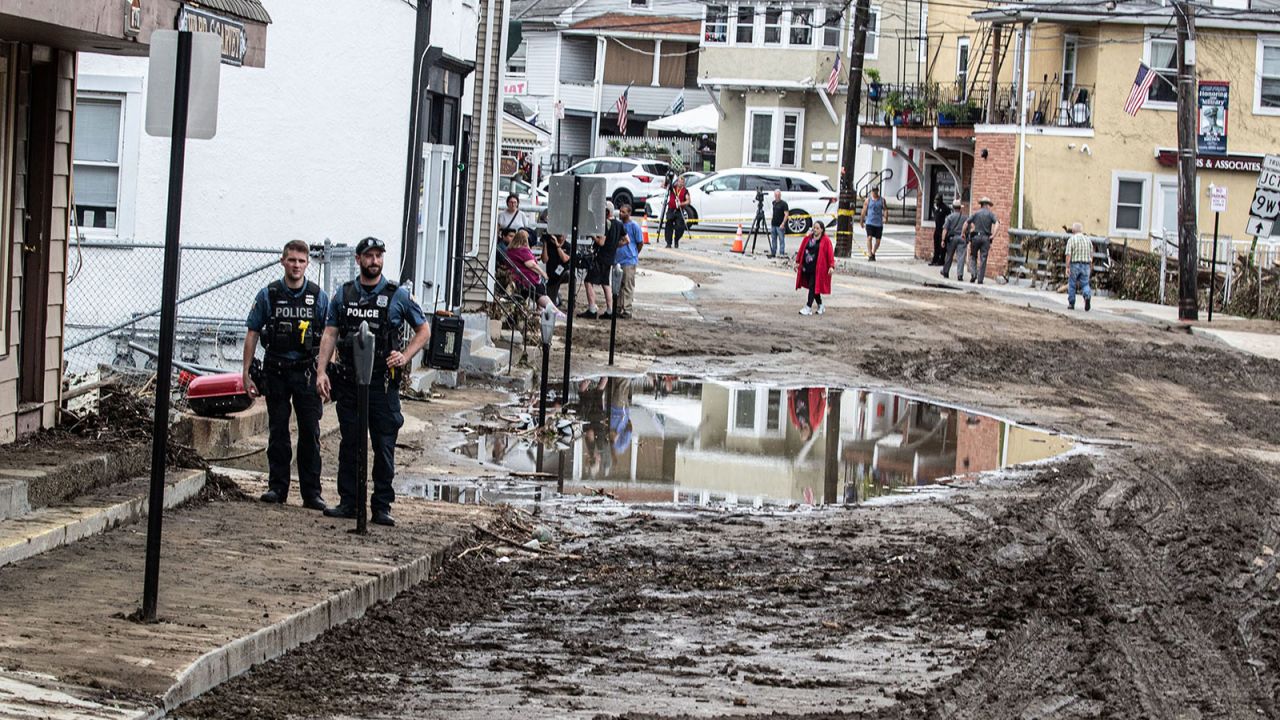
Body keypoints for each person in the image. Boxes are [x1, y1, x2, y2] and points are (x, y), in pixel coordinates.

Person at [315, 237, 430, 527]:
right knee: (350, 444)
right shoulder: (344, 295)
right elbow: (330, 333)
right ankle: (349, 502)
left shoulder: (397, 295)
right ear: (358, 259)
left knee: (384, 445)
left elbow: (424, 330)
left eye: (379, 256)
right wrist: (321, 371)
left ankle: (381, 506)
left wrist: (404, 356)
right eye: (369, 256)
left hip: (382, 383)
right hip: (351, 381)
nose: (374, 261)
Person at [242, 240, 328, 511]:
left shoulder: (318, 296)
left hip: (306, 372)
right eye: (291, 260)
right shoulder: (269, 294)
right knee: (278, 432)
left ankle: (311, 493)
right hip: (276, 370)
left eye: (301, 261)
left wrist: (326, 373)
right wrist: (245, 374)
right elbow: (252, 333)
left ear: (307, 264)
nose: (296, 265)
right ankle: (277, 488)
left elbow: (329, 335)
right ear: (282, 261)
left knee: (310, 433)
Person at [508, 230, 566, 317]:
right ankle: (555, 311)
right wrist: (543, 273)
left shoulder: (510, 251)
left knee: (527, 297)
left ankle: (540, 310)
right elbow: (531, 264)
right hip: (528, 280)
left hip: (517, 279)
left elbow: (522, 261)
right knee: (541, 294)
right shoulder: (522, 250)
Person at [581, 202, 621, 319]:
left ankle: (592, 309)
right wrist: (613, 246)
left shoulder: (606, 225)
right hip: (610, 258)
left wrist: (593, 235)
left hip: (601, 258)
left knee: (588, 281)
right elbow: (626, 240)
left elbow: (601, 242)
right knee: (605, 284)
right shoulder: (619, 225)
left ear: (607, 212)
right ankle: (610, 310)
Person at [795, 220, 835, 315]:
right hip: (807, 266)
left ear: (822, 230)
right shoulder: (808, 238)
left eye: (817, 228)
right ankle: (820, 305)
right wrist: (797, 262)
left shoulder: (826, 240)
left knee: (813, 286)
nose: (815, 230)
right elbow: (801, 250)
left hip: (818, 268)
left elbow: (830, 254)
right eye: (814, 228)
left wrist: (831, 266)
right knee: (813, 287)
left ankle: (808, 307)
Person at [613, 203, 643, 318]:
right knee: (618, 286)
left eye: (623, 212)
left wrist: (634, 254)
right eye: (620, 211)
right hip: (618, 260)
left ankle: (627, 310)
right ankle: (618, 307)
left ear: (629, 213)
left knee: (627, 285)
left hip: (629, 261)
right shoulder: (619, 225)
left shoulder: (634, 226)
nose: (621, 214)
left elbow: (640, 243)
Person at [962, 196, 999, 283]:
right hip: (986, 238)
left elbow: (966, 223)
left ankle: (974, 273)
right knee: (983, 258)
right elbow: (997, 223)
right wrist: (993, 235)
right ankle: (980, 279)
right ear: (987, 205)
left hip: (975, 237)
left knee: (973, 256)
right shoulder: (991, 214)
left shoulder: (976, 213)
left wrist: (963, 233)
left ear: (981, 204)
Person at [1065, 222, 1094, 311]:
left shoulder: (1071, 240)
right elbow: (1091, 254)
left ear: (1073, 230)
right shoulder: (1088, 240)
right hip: (1086, 264)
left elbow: (1068, 254)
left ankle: (1071, 303)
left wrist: (1067, 266)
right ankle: (1087, 296)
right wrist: (1090, 265)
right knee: (1085, 283)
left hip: (1075, 264)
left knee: (1072, 284)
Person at [940, 199, 968, 280]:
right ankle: (960, 275)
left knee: (949, 256)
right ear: (960, 208)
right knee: (961, 257)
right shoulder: (965, 217)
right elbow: (968, 228)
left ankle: (945, 272)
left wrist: (942, 240)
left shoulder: (949, 217)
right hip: (962, 238)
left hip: (952, 238)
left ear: (953, 208)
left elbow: (945, 229)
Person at [542, 233, 571, 307]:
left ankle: (571, 303)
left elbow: (565, 259)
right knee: (551, 304)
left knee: (571, 275)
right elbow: (544, 260)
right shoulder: (549, 245)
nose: (560, 238)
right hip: (552, 275)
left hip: (564, 273)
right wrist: (545, 243)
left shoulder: (567, 246)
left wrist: (558, 246)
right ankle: (557, 297)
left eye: (561, 236)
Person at [663, 175, 690, 249]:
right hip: (671, 209)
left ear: (684, 183)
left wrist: (681, 204)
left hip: (679, 211)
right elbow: (663, 186)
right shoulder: (673, 188)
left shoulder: (685, 191)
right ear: (677, 182)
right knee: (669, 224)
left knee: (680, 227)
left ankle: (676, 240)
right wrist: (667, 179)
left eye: (682, 182)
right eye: (679, 181)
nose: (680, 183)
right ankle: (668, 243)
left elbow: (688, 201)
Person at [860, 187, 886, 261]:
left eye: (876, 191)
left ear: (878, 191)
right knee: (869, 237)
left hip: (878, 223)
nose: (874, 192)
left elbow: (885, 209)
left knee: (878, 241)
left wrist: (885, 217)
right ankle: (870, 254)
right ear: (871, 191)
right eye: (873, 191)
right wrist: (862, 221)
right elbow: (864, 211)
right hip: (869, 222)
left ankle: (873, 252)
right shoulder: (868, 200)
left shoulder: (882, 200)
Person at [768, 189, 790, 259]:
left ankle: (781, 253)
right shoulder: (774, 202)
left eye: (778, 195)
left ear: (780, 195)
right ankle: (773, 252)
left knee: (781, 240)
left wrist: (783, 223)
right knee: (773, 239)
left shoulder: (784, 204)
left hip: (780, 225)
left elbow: (786, 214)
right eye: (776, 195)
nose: (777, 196)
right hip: (773, 224)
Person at [931, 193, 950, 266]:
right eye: (935, 200)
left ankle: (941, 260)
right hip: (937, 229)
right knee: (936, 245)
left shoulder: (945, 208)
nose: (936, 201)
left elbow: (949, 217)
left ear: (941, 200)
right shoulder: (935, 208)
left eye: (938, 200)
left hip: (943, 229)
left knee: (942, 246)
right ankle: (935, 259)